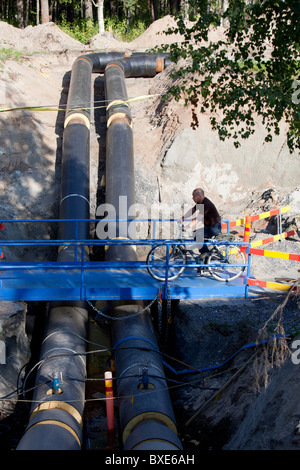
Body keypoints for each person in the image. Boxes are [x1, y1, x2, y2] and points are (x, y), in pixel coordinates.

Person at [181, 188, 221, 255]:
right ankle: (205, 260)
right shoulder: (200, 203)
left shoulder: (206, 204)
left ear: (199, 196)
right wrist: (183, 218)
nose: (192, 198)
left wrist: (186, 227)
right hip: (209, 227)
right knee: (197, 236)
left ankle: (205, 254)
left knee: (197, 234)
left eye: (194, 197)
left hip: (214, 228)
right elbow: (193, 210)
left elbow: (198, 219)